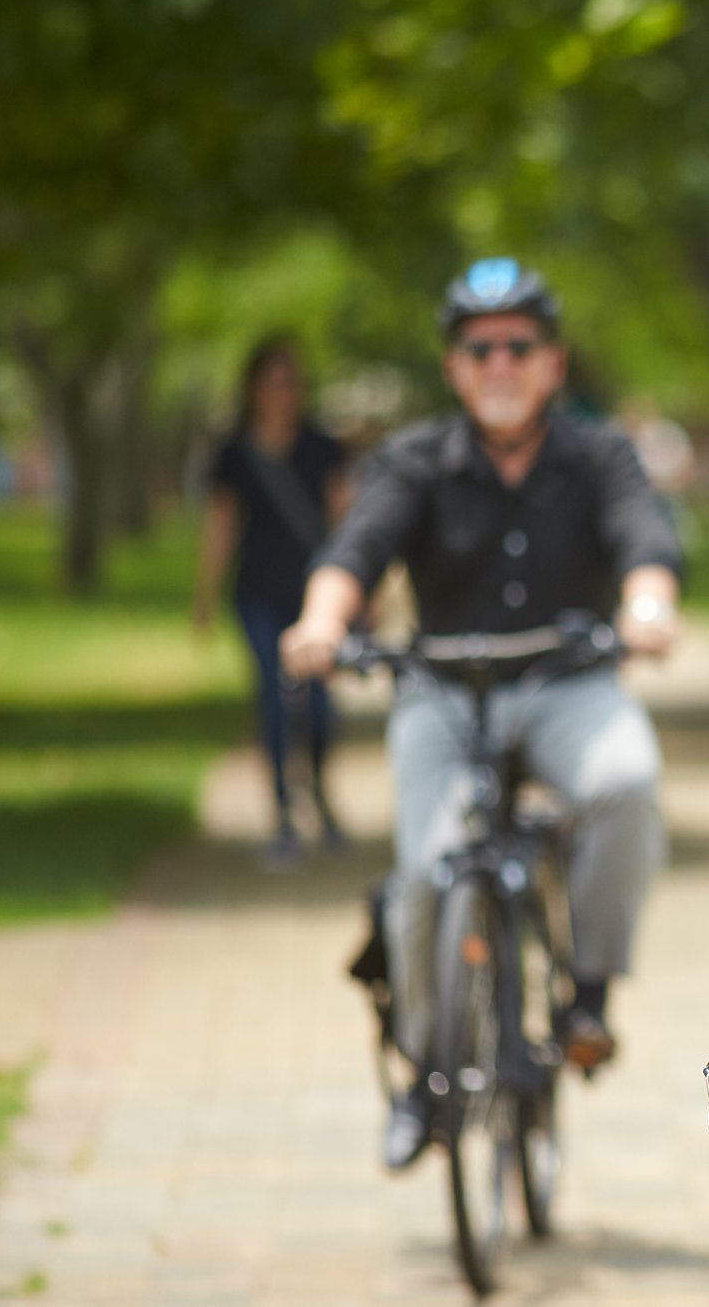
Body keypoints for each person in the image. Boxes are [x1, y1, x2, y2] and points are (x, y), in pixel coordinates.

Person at [279, 258, 683, 1169]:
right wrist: (320, 622)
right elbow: (357, 547)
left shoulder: (599, 454)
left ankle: (585, 994)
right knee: (426, 873)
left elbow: (643, 540)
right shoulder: (414, 458)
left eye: (519, 345)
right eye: (478, 347)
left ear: (553, 361)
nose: (499, 362)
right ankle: (428, 1069)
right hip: (443, 691)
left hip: (566, 682)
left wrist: (647, 606)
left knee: (625, 783)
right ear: (454, 365)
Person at [193, 336, 350, 864]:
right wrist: (204, 599)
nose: (283, 394)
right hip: (257, 594)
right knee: (275, 702)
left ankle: (321, 794)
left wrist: (360, 590)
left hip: (315, 598)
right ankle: (283, 813)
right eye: (273, 383)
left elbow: (344, 521)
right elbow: (220, 526)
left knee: (322, 709)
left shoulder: (321, 446)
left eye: (291, 383)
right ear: (254, 390)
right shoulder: (234, 454)